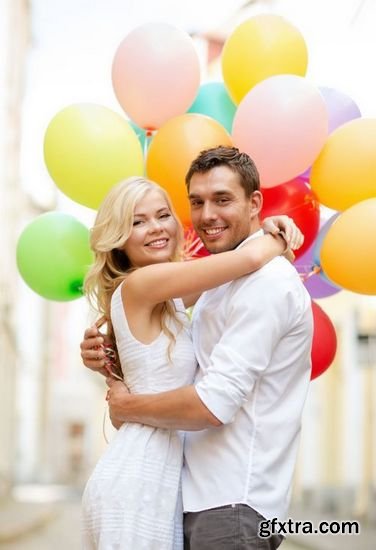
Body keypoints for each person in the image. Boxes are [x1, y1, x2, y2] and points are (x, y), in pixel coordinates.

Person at [81, 146, 312, 550]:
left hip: (224, 500)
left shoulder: (204, 290)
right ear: (119, 236)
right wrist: (271, 238)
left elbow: (210, 403)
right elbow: (248, 256)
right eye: (137, 222)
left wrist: (127, 403)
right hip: (152, 483)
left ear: (253, 202)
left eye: (163, 214)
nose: (206, 214)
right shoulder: (154, 286)